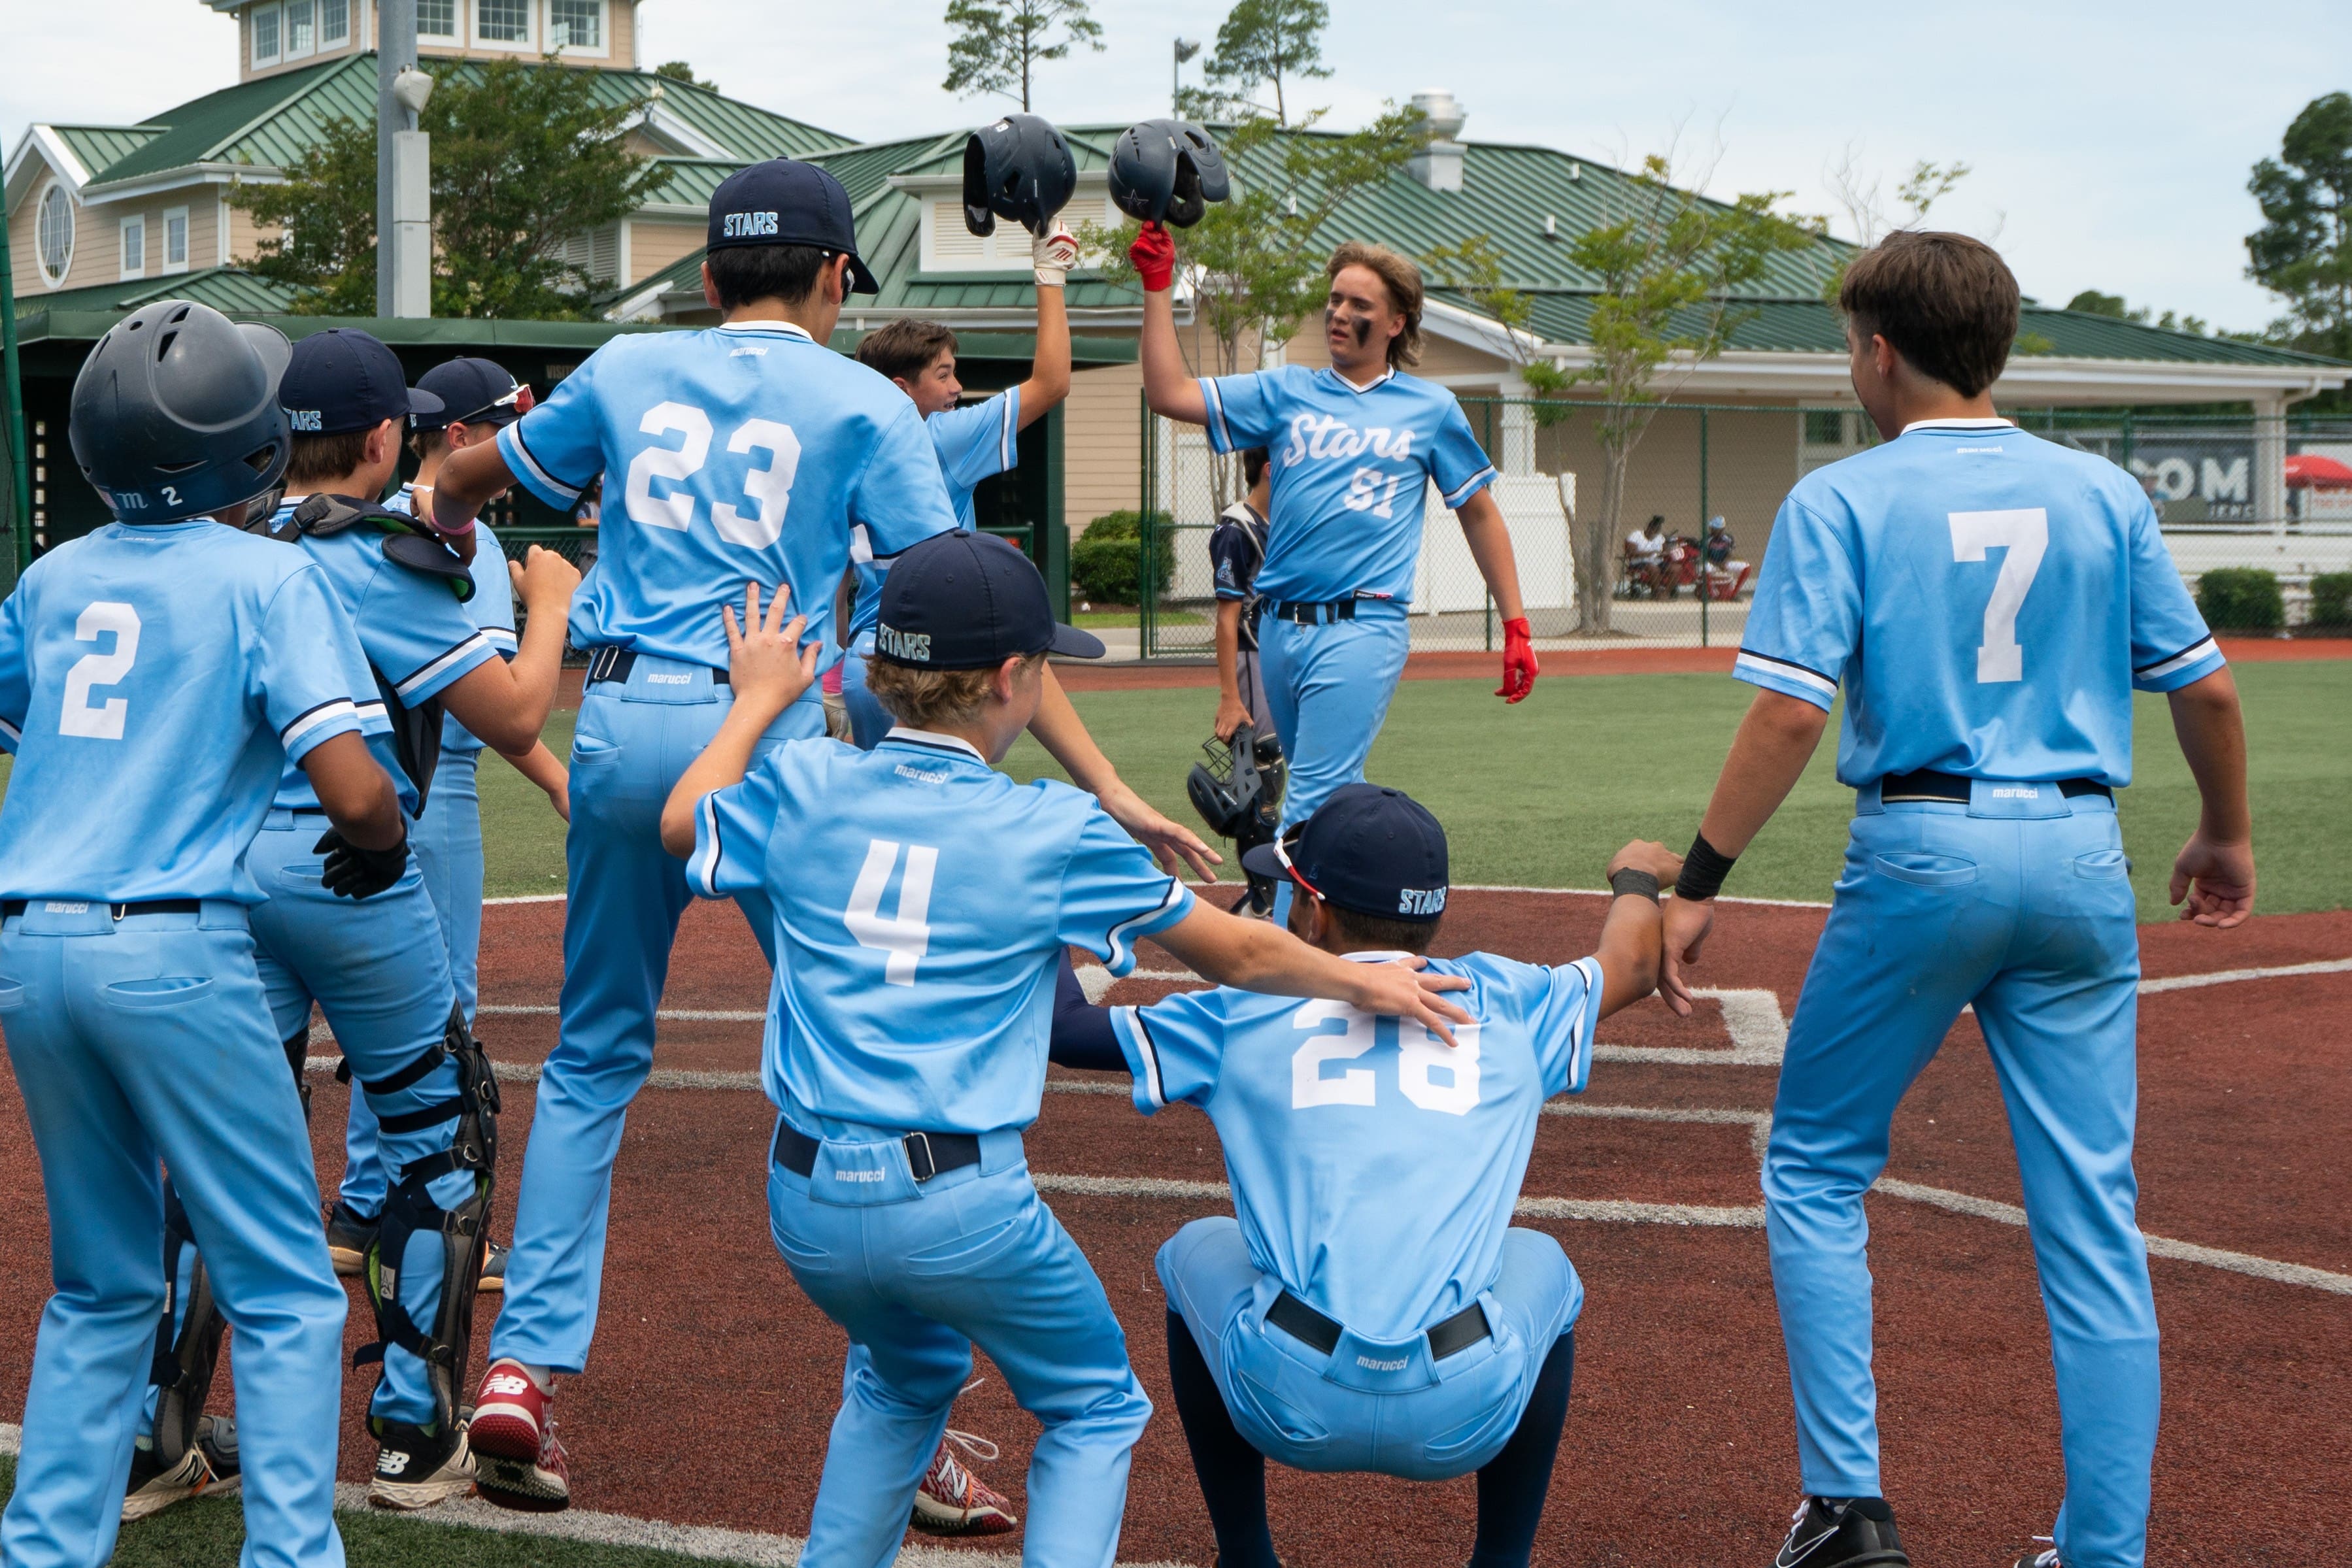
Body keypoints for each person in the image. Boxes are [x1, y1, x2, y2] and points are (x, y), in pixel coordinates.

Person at [428, 157, 1217, 1514]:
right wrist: (1112, 788)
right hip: (772, 735)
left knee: (596, 1051)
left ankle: (522, 1366)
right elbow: (969, 633)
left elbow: (459, 481)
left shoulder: (623, 369)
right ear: (838, 277)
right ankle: (915, 1417)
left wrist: (449, 531)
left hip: (617, 728)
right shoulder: (861, 400)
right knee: (851, 1068)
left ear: (707, 275)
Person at [653, 531, 1473, 1568]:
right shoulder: (1049, 825)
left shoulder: (808, 776)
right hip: (955, 1201)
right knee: (1092, 1402)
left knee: (900, 1375)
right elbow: (1232, 950)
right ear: (1009, 678)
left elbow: (683, 822)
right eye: (1040, 667)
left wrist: (756, 696)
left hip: (803, 1194)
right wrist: (1362, 977)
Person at [1656, 231, 2254, 1568]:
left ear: (1877, 347)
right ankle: (2101, 1548)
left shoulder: (1841, 497)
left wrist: (1695, 882)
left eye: (1849, 340)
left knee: (1812, 1164)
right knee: (2091, 1214)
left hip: (1921, 850)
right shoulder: (2100, 492)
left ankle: (1847, 1508)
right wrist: (2219, 829)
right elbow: (2203, 687)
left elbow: (1786, 713)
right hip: (2081, 857)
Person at [0, 301, 403, 1567]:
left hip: (32, 943)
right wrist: (381, 836)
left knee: (100, 1282)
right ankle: (293, 1555)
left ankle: (46, 1547)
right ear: (249, 446)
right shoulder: (272, 571)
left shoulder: (53, 574)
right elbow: (351, 789)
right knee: (283, 1281)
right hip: (171, 949)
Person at [1049, 784, 1681, 1568]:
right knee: (1543, 1261)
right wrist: (1636, 877)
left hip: (1285, 1397)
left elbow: (1070, 1033)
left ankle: (1246, 1553)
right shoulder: (1509, 1000)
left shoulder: (1244, 1008)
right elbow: (1632, 959)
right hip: (1464, 1407)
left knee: (1193, 1249)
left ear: (1314, 913)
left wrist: (1032, 908)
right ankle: (1500, 1559)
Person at [242, 327, 582, 1508]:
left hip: (225, 877)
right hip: (349, 862)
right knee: (443, 1130)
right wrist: (548, 601)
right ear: (387, 436)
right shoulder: (375, 554)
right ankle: (414, 1431)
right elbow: (516, 706)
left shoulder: (231, 535)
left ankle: (161, 1424)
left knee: (220, 1136)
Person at [1135, 232, 1538, 927]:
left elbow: (1478, 511)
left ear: (1395, 322)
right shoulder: (1286, 390)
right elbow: (1166, 393)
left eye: (1359, 303)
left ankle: (1285, 947)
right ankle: (1351, 928)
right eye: (1333, 299)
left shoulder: (1429, 407)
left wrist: (1516, 622)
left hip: (1363, 625)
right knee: (1323, 797)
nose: (1338, 313)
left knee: (1310, 798)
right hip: (1281, 630)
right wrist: (1155, 290)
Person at [316, 358, 571, 1292]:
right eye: (509, 427)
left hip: (376, 787)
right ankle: (409, 1221)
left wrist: (552, 779)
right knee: (431, 1013)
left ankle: (358, 1207)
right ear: (460, 435)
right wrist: (550, 607)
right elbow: (496, 709)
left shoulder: (366, 523)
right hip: (414, 801)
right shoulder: (433, 530)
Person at [840, 214, 1079, 750]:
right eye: (944, 373)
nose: (958, 386)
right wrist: (1049, 276)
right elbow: (1053, 381)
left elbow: (836, 584)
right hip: (928, 661)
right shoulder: (938, 437)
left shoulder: (848, 446)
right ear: (903, 390)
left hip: (862, 660)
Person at [1209, 446, 1273, 742]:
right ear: (1270, 470)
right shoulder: (1237, 529)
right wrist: (1230, 697)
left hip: (1280, 652)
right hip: (1252, 653)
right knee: (1260, 757)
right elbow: (1227, 617)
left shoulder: (1283, 526)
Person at [1624, 515, 1668, 597]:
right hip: (1639, 562)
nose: (1654, 534)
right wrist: (1648, 554)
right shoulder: (1636, 535)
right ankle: (1657, 594)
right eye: (1653, 531)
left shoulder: (1660, 537)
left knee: (1676, 568)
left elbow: (1665, 550)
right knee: (1654, 569)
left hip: (1657, 561)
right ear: (1649, 529)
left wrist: (1664, 553)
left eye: (1657, 532)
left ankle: (1666, 593)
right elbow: (1631, 553)